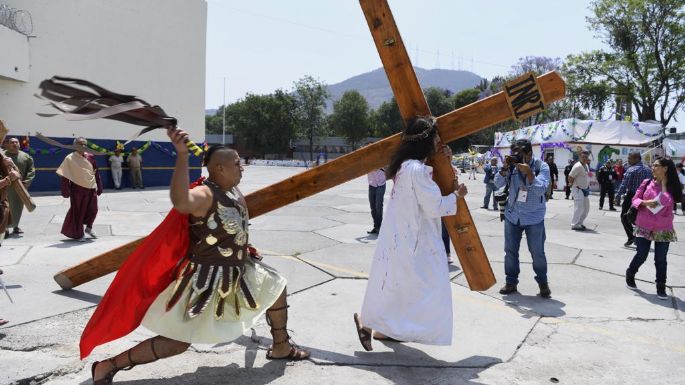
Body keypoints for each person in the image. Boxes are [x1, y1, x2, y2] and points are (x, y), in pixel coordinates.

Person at [87, 128, 309, 384]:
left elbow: (230, 227)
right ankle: (108, 365)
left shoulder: (232, 191)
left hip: (237, 268)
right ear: (219, 169)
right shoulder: (205, 194)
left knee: (277, 285)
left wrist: (243, 248)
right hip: (205, 281)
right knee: (177, 343)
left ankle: (281, 345)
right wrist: (182, 155)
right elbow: (181, 201)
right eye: (236, 163)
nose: (242, 167)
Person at [353, 116, 467, 351]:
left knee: (397, 284)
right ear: (425, 140)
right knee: (426, 288)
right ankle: (367, 322)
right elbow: (434, 205)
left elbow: (431, 183)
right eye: (435, 136)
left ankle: (383, 329)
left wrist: (447, 160)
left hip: (401, 236)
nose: (438, 140)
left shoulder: (406, 166)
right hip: (415, 239)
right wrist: (457, 195)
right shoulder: (415, 169)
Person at [493, 139, 551, 298]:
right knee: (510, 252)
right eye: (514, 154)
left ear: (529, 154)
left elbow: (541, 190)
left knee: (537, 253)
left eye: (519, 155)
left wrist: (529, 173)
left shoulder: (541, 167)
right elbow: (497, 183)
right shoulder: (511, 166)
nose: (516, 158)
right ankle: (511, 282)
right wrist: (504, 169)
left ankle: (543, 283)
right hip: (513, 216)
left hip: (534, 217)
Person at [625, 158, 682, 300]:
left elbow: (664, 202)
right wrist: (645, 202)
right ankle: (630, 273)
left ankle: (661, 286)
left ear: (665, 168)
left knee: (660, 259)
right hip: (643, 224)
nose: (652, 167)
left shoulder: (672, 187)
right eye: (653, 165)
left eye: (656, 165)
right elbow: (635, 200)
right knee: (641, 255)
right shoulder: (646, 183)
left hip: (663, 227)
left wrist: (663, 186)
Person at [56, 137, 103, 241]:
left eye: (85, 144)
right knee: (78, 211)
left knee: (93, 210)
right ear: (74, 146)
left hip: (91, 187)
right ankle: (79, 233)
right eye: (80, 144)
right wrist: (65, 190)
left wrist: (99, 186)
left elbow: (96, 172)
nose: (83, 146)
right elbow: (65, 175)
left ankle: (89, 228)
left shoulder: (90, 156)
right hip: (77, 189)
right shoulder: (69, 158)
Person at [616, 152, 653, 247]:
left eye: (630, 158)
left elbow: (624, 185)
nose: (628, 160)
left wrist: (618, 196)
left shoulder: (631, 169)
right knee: (639, 218)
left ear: (637, 158)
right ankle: (639, 238)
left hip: (632, 197)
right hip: (645, 198)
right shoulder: (649, 170)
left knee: (624, 217)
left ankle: (632, 236)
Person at [2, 137, 35, 236]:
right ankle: (6, 228)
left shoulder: (26, 157)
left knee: (18, 207)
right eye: (12, 142)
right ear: (7, 144)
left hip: (20, 187)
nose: (14, 144)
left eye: (16, 142)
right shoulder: (3, 156)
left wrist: (26, 182)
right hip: (5, 187)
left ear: (19, 145)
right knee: (6, 208)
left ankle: (16, 226)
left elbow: (31, 170)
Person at [569, 151, 591, 231]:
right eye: (583, 157)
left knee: (586, 208)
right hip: (578, 189)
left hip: (585, 189)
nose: (585, 158)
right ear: (580, 157)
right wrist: (572, 185)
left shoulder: (586, 165)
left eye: (586, 157)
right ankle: (574, 224)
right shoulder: (577, 166)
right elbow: (570, 177)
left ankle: (580, 222)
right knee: (579, 207)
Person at [0, 157, 20, 245]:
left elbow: (18, 176)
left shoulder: (3, 157)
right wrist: (6, 181)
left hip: (2, 205)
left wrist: (13, 167)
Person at [366, 168, 386, 234]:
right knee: (373, 207)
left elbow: (387, 167)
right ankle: (376, 227)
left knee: (379, 206)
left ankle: (379, 227)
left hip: (381, 184)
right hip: (372, 184)